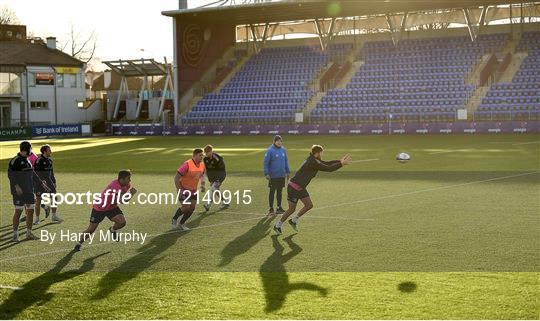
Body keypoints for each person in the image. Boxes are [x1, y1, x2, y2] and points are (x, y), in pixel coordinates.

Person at [274, 145, 351, 235]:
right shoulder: (313, 162)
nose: (322, 154)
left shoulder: (314, 159)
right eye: (321, 152)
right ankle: (277, 226)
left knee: (309, 205)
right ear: (317, 153)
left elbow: (327, 163)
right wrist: (341, 164)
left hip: (300, 187)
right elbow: (329, 169)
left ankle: (293, 220)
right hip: (294, 187)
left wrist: (339, 161)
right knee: (291, 209)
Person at [74, 170, 136, 251]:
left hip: (112, 207)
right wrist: (131, 194)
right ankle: (79, 243)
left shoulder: (127, 185)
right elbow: (122, 200)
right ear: (122, 179)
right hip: (100, 208)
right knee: (91, 230)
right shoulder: (115, 186)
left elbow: (121, 196)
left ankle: (112, 229)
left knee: (122, 222)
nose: (130, 180)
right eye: (128, 178)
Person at [7, 141, 41, 242]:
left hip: (29, 190)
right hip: (19, 192)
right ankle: (15, 234)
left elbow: (32, 173)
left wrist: (41, 183)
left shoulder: (28, 160)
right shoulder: (15, 160)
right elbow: (10, 175)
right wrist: (17, 186)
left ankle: (29, 233)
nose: (31, 150)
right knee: (18, 211)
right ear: (26, 149)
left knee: (30, 210)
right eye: (30, 148)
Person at [171, 148, 206, 231]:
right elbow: (176, 178)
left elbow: (202, 175)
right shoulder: (187, 164)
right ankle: (174, 219)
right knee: (186, 207)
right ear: (194, 156)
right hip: (183, 189)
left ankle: (182, 223)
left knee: (192, 208)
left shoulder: (202, 165)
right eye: (200, 155)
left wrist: (203, 185)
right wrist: (179, 190)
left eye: (202, 155)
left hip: (193, 190)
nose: (202, 157)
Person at [34, 144, 63, 224]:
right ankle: (37, 219)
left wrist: (54, 181)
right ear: (44, 151)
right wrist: (42, 182)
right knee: (39, 200)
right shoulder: (39, 160)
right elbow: (36, 173)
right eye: (49, 150)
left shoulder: (50, 160)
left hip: (49, 182)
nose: (51, 152)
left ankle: (54, 216)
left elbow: (51, 172)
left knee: (54, 197)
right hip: (40, 183)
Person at [263, 135, 290, 215]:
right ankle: (271, 208)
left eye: (280, 141)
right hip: (273, 176)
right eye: (277, 141)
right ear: (274, 142)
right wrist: (266, 173)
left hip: (281, 175)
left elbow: (286, 161)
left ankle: (279, 207)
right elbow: (266, 163)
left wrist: (287, 171)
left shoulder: (283, 150)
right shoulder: (270, 150)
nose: (279, 142)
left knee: (280, 191)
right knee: (272, 191)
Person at [202, 145, 228, 212]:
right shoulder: (205, 159)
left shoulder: (217, 158)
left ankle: (208, 205)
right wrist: (211, 180)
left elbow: (222, 169)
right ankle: (225, 201)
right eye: (205, 153)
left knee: (213, 188)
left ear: (211, 151)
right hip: (213, 176)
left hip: (221, 174)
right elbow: (208, 170)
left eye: (208, 152)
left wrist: (218, 180)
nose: (206, 154)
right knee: (216, 190)